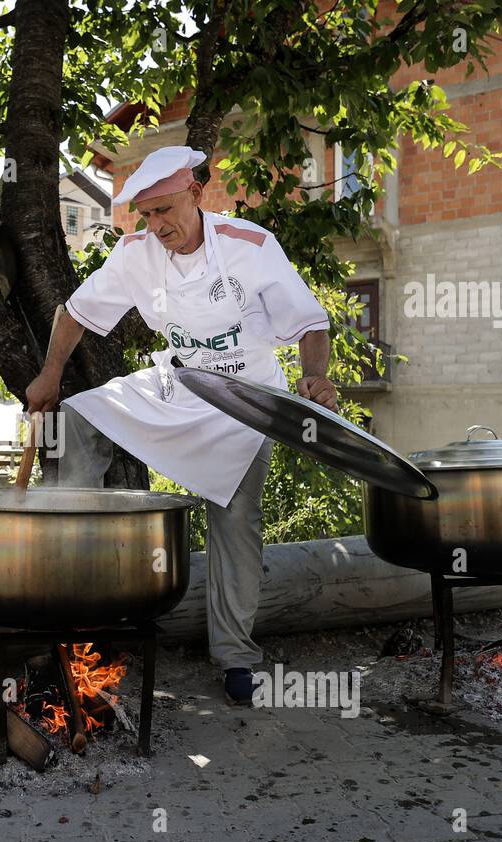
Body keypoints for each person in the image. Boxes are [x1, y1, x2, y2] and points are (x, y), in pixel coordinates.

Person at [24, 145, 339, 704]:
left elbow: (311, 321)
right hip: (178, 384)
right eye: (146, 215)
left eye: (165, 209)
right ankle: (62, 574)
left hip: (247, 399)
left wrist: (317, 378)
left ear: (197, 193)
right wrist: (49, 376)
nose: (157, 225)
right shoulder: (135, 254)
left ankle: (237, 656)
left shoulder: (251, 246)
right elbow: (72, 313)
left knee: (236, 518)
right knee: (76, 418)